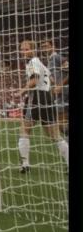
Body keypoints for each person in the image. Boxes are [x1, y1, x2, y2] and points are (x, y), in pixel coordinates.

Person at [17, 40, 69, 173]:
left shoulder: (32, 62)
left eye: (26, 49)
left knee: (24, 130)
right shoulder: (40, 62)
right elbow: (51, 79)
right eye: (21, 49)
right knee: (54, 135)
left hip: (36, 97)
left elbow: (34, 80)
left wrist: (23, 90)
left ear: (33, 50)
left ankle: (25, 164)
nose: (23, 52)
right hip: (48, 98)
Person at [41, 39, 68, 139]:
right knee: (61, 124)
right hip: (58, 95)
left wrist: (60, 85)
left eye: (46, 45)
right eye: (43, 46)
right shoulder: (49, 60)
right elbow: (54, 77)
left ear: (53, 47)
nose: (44, 48)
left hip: (64, 94)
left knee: (61, 124)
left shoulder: (57, 57)